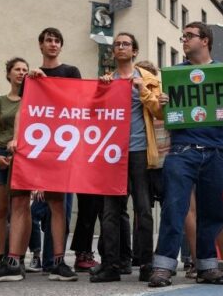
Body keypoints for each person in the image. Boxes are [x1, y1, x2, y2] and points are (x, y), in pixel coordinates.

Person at [149, 21, 223, 287]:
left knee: (212, 211)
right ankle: (163, 267)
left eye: (189, 36)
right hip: (182, 150)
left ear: (205, 40)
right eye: (183, 36)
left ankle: (207, 267)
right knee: (174, 208)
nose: (184, 40)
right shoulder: (175, 75)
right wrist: (162, 103)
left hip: (216, 150)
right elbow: (163, 113)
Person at [91, 33, 162, 283]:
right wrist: (101, 91)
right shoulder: (107, 80)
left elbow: (160, 112)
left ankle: (146, 264)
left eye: (125, 44)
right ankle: (111, 264)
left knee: (143, 209)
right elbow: (93, 112)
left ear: (134, 51)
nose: (120, 47)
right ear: (113, 52)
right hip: (112, 153)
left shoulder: (149, 80)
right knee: (111, 211)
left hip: (140, 150)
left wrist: (143, 90)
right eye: (117, 44)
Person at [23, 28, 82, 281]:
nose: (53, 44)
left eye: (57, 40)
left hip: (63, 145)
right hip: (39, 146)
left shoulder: (71, 72)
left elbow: (78, 101)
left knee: (62, 207)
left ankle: (56, 261)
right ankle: (42, 258)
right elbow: (25, 110)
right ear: (40, 45)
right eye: (49, 40)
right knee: (38, 206)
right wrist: (32, 81)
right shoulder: (31, 76)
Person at [0, 57, 31, 283]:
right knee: (0, 210)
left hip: (23, 156)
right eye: (17, 69)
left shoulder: (33, 100)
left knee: (21, 208)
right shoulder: (0, 101)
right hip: (0, 154)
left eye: (25, 70)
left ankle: (18, 257)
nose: (21, 73)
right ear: (9, 74)